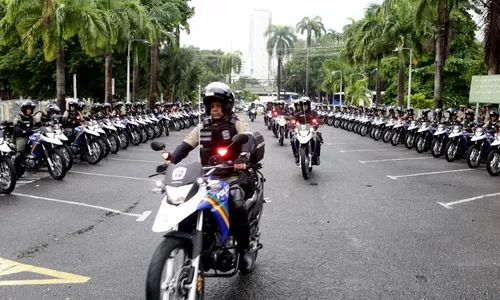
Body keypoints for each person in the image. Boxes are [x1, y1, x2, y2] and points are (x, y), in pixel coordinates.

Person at [162, 82, 258, 272]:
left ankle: (245, 248)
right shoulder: (203, 126)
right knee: (187, 202)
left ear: (227, 105)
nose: (214, 109)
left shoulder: (236, 123)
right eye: (211, 106)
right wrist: (171, 160)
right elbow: (186, 144)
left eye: (218, 105)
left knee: (236, 201)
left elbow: (249, 137)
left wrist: (243, 157)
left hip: (233, 175)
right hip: (207, 177)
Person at [290, 99, 323, 165]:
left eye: (306, 105)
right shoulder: (298, 114)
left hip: (310, 130)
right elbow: (292, 121)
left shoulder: (313, 113)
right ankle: (296, 155)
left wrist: (319, 122)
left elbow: (318, 119)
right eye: (303, 105)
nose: (304, 106)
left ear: (308, 105)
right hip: (301, 131)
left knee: (317, 138)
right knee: (293, 139)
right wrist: (291, 125)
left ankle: (316, 156)